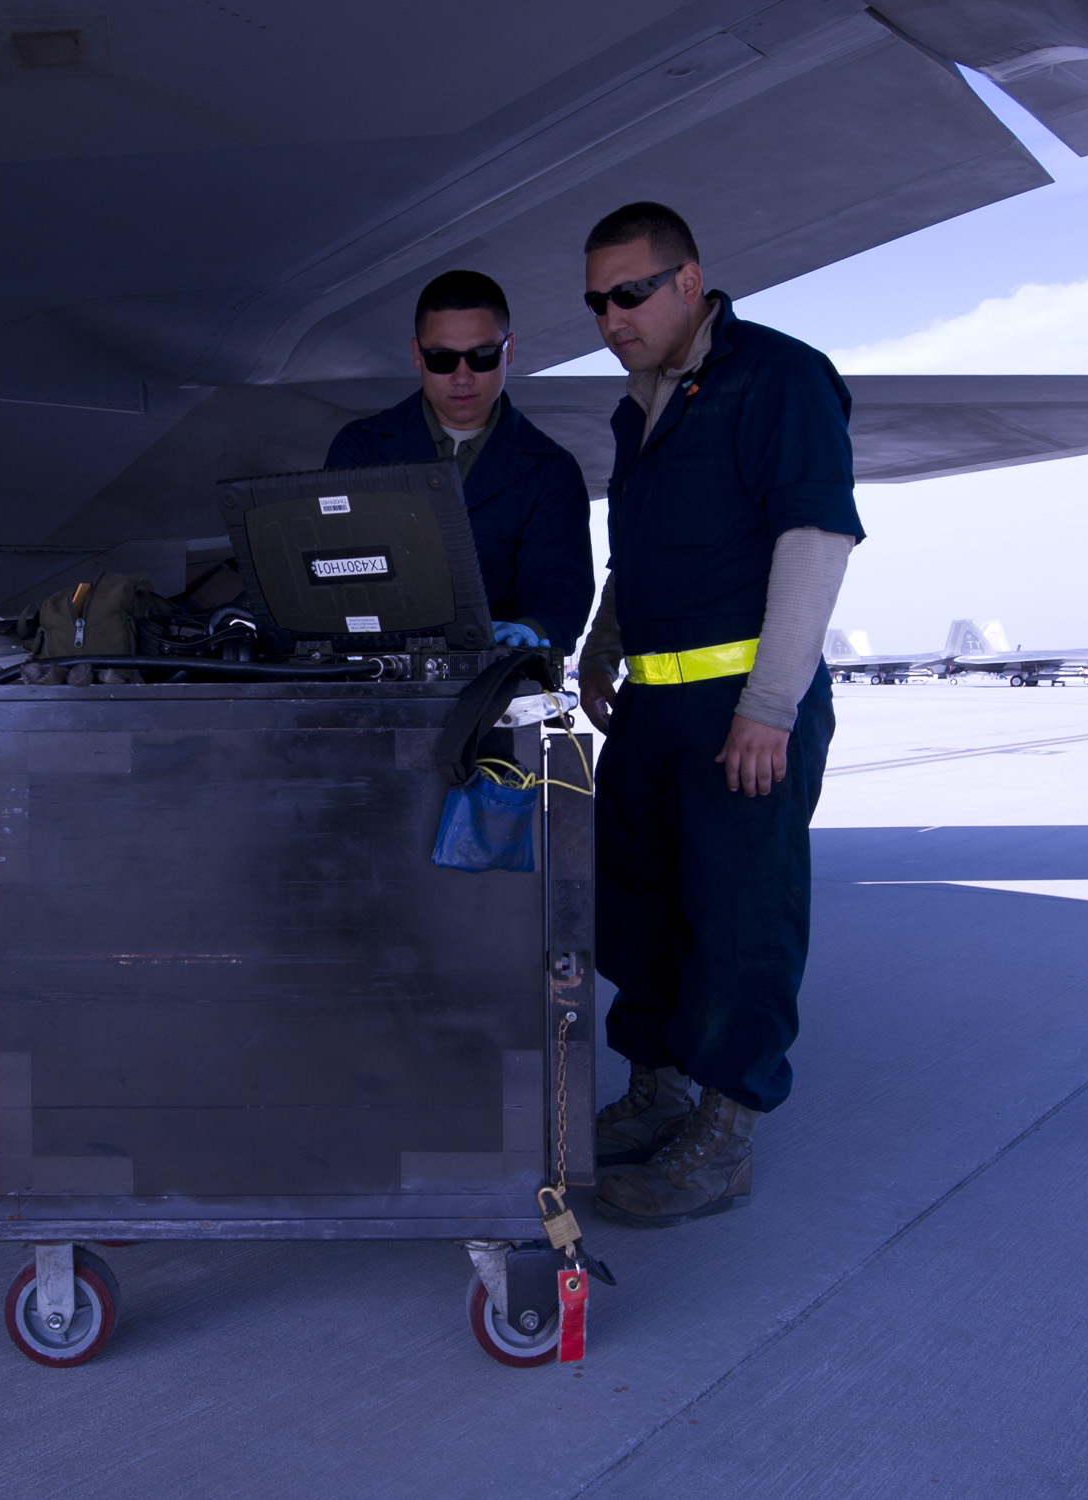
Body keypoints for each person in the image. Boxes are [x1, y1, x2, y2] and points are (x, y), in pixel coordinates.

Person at [573, 202, 863, 1228]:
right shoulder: (637, 408)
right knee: (641, 910)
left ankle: (726, 1135)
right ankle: (660, 1093)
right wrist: (603, 643)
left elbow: (816, 539)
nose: (612, 317)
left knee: (742, 924)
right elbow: (639, 556)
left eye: (632, 293)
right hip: (652, 712)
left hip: (743, 712)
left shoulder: (776, 378)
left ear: (690, 280)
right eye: (598, 301)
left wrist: (770, 707)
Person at [325, 270, 594, 652]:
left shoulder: (550, 472)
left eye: (482, 357)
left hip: (493, 692)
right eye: (442, 358)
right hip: (375, 679)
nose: (463, 377)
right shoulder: (360, 451)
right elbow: (331, 576)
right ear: (418, 355)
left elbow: (560, 589)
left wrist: (532, 630)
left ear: (509, 350)